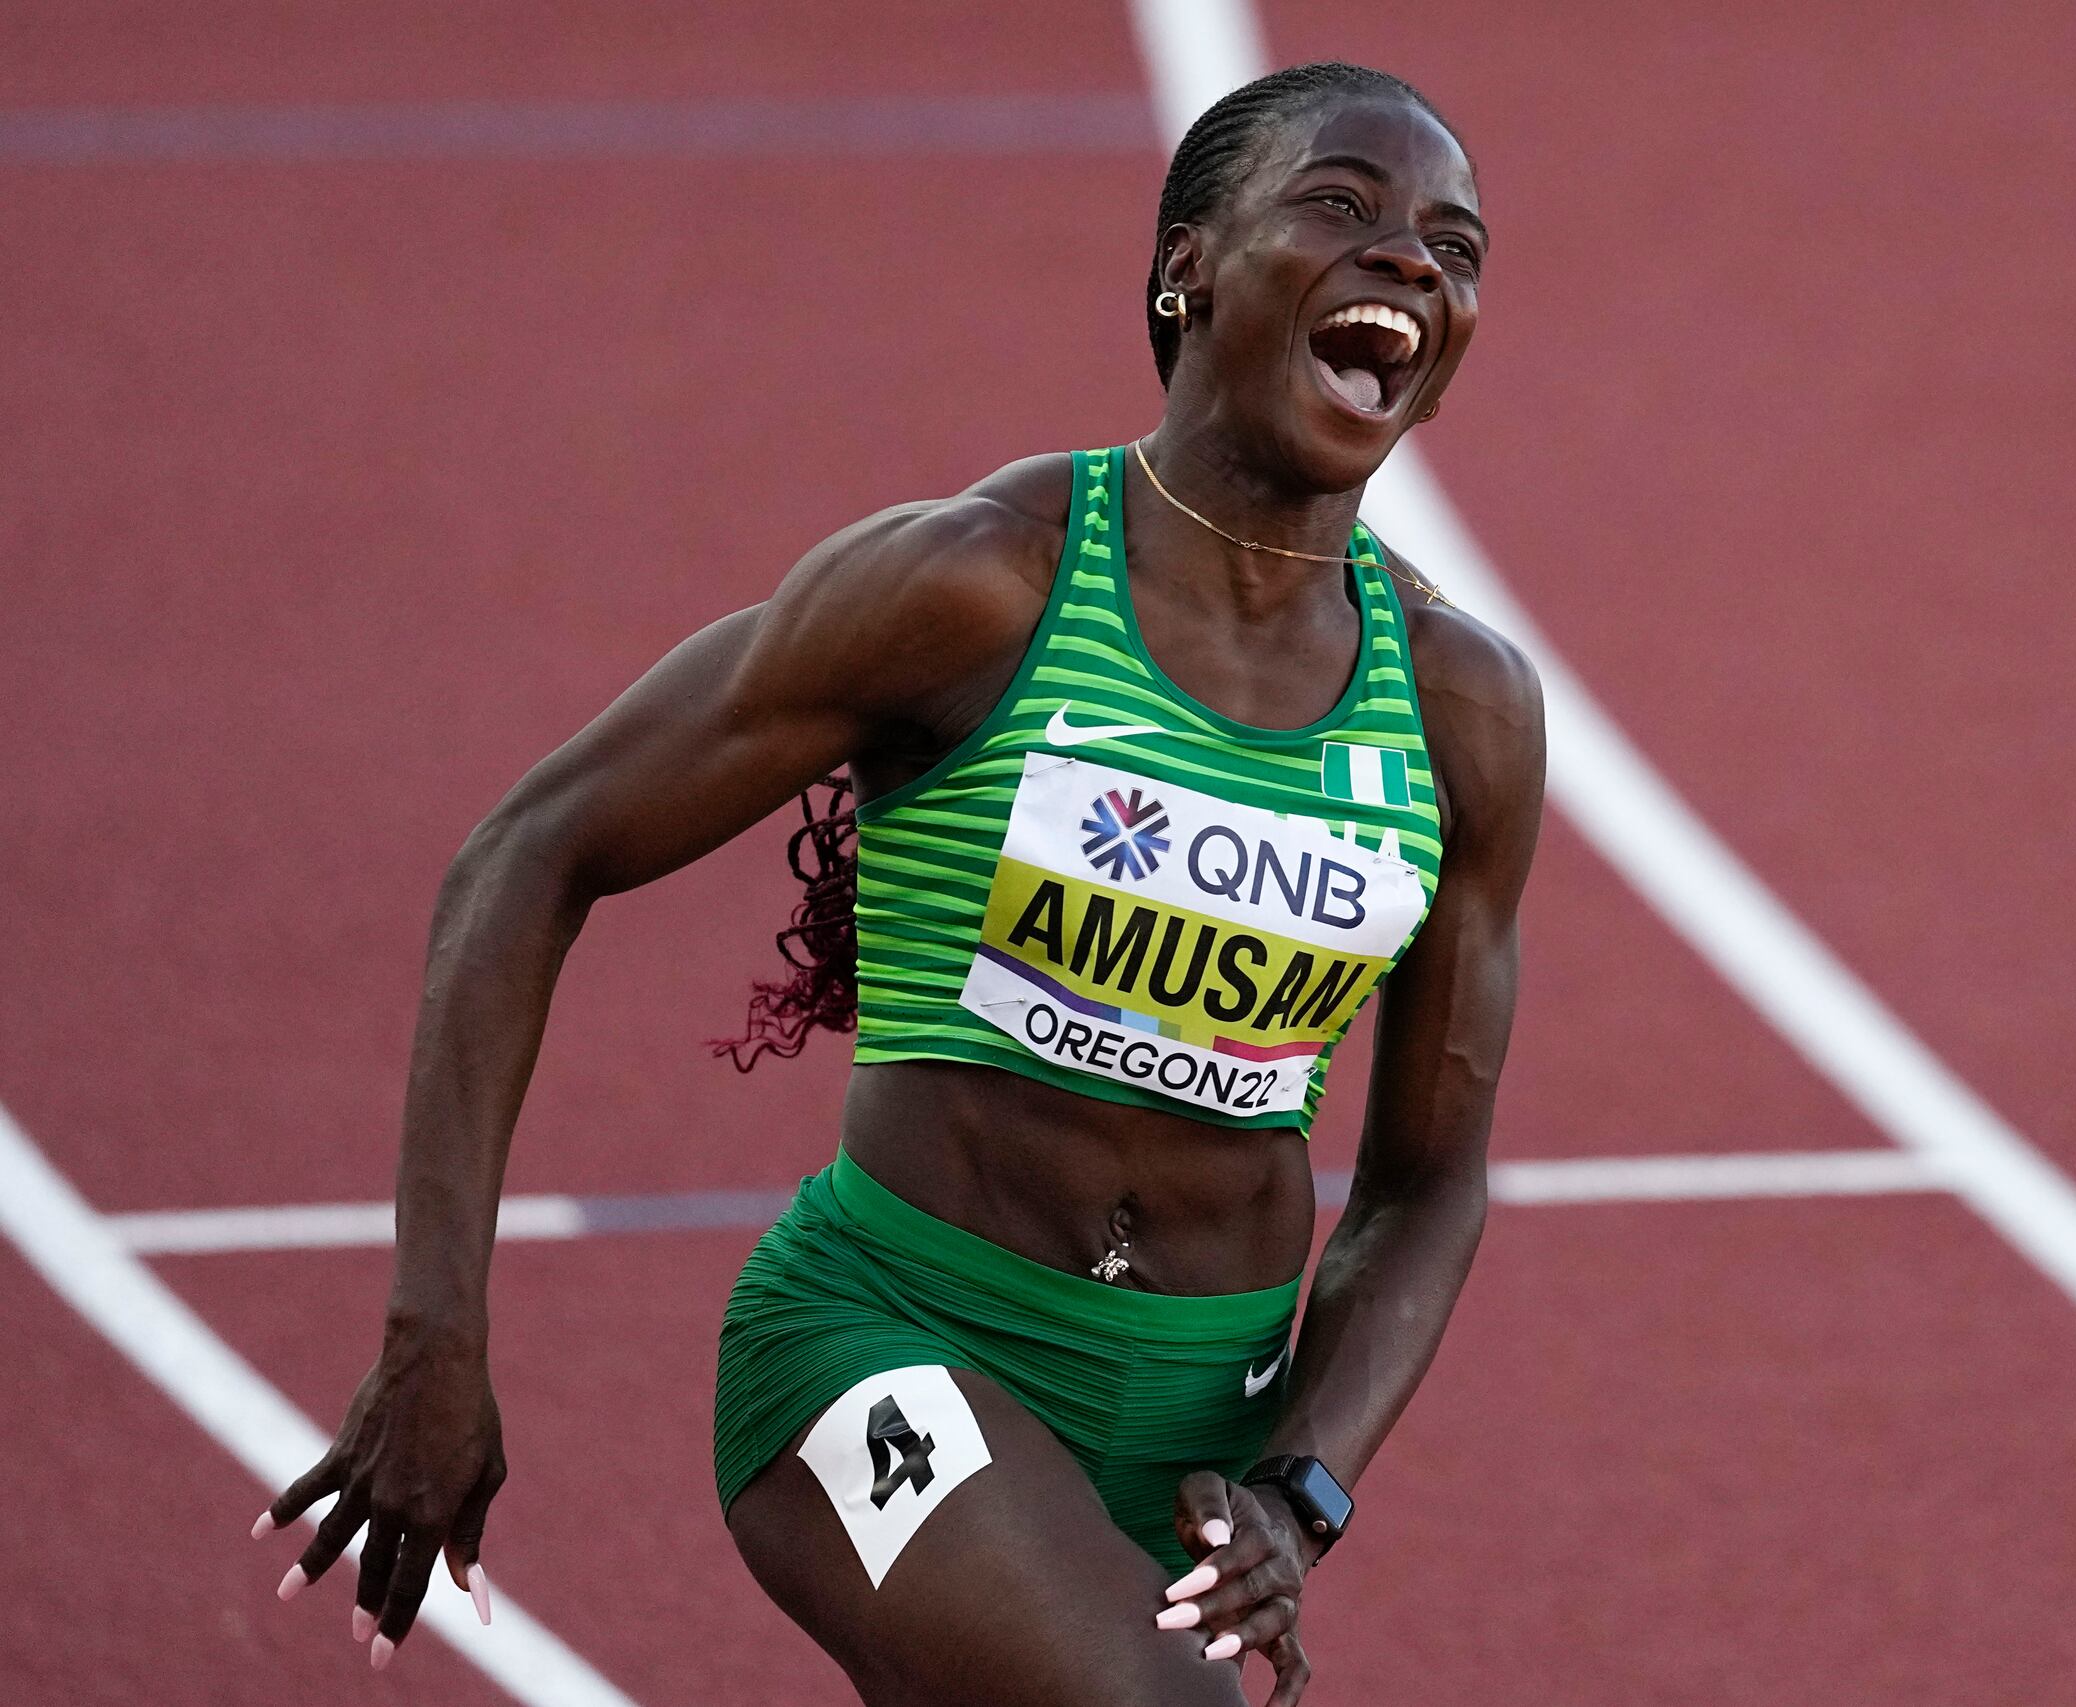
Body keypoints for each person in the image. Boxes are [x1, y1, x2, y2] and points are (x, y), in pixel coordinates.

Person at [251, 60, 1543, 1706]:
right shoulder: (980, 583)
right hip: (884, 1346)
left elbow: (1429, 1181)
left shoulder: (1462, 707)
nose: (1412, 264)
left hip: (1200, 1435)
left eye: (1456, 245)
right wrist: (434, 1334)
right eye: (1343, 209)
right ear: (1188, 267)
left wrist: (1305, 1487)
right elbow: (528, 853)